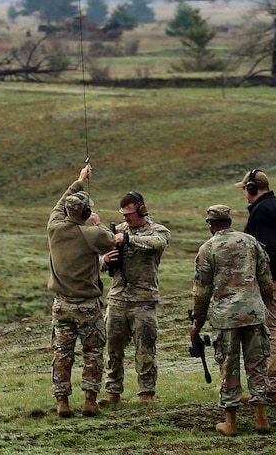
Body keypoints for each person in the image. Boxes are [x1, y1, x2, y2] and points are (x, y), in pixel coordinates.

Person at [190, 204, 273, 437]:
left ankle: (231, 422)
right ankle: (261, 419)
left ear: (211, 224)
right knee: (257, 365)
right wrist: (264, 306)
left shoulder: (208, 248)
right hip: (254, 313)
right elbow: (266, 279)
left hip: (225, 319)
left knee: (228, 367)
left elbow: (201, 292)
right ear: (229, 220)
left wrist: (197, 322)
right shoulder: (251, 242)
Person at [47, 162, 120, 418]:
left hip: (61, 304)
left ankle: (62, 403)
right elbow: (110, 241)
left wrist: (79, 181)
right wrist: (97, 223)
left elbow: (58, 204)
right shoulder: (91, 233)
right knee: (93, 352)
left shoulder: (53, 228)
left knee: (62, 353)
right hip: (87, 306)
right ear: (87, 212)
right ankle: (90, 400)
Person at [101, 190, 170, 405]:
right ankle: (112, 391)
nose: (126, 219)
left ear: (141, 210)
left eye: (129, 214)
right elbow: (99, 261)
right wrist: (106, 259)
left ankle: (146, 392)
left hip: (143, 299)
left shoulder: (157, 230)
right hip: (118, 298)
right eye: (123, 214)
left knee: (145, 349)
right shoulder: (117, 232)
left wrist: (129, 239)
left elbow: (158, 243)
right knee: (113, 348)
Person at [236, 168, 276, 403]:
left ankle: (269, 388)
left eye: (244, 188)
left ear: (252, 188)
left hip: (269, 279)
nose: (243, 193)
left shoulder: (261, 211)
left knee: (268, 331)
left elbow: (260, 250)